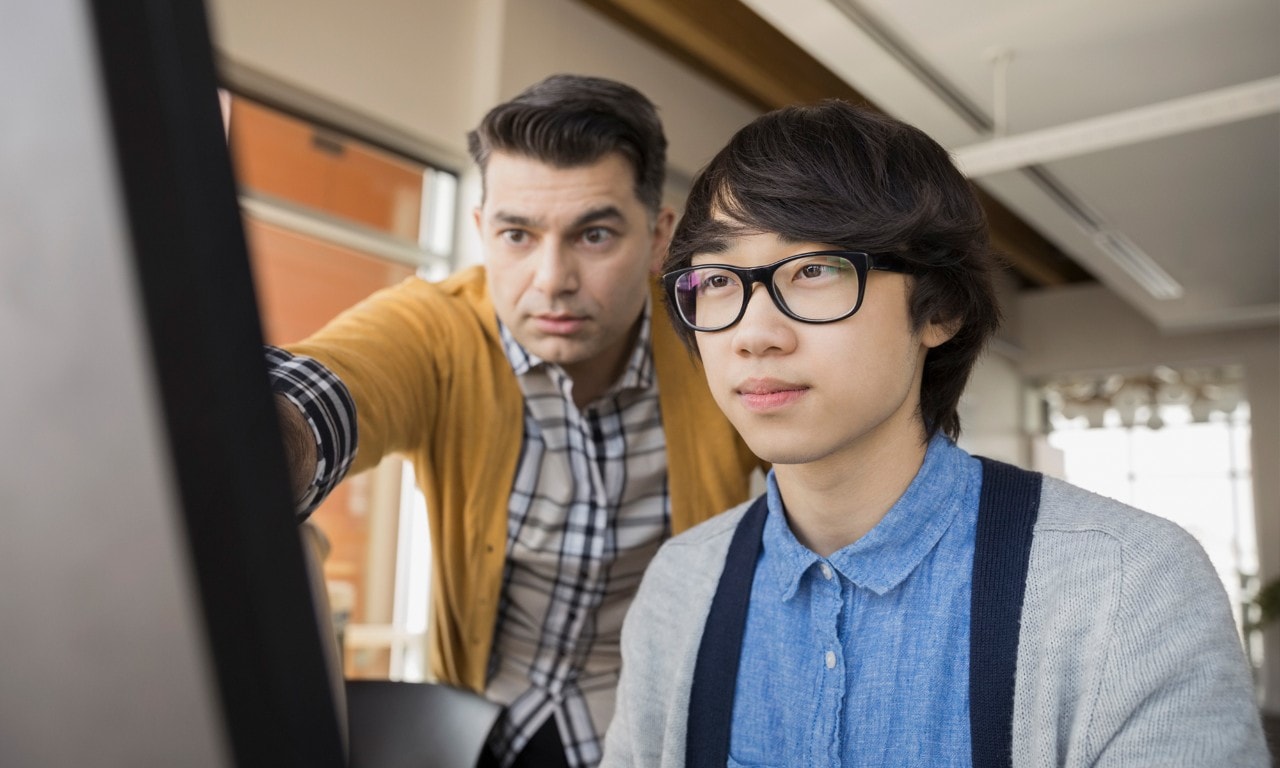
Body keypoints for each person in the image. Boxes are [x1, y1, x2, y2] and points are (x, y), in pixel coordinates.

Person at [601, 100, 1269, 767]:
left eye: (814, 271)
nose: (754, 335)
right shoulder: (681, 586)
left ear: (940, 308)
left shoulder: (1128, 587)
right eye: (718, 280)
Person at [267, 74, 763, 768]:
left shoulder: (714, 339)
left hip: (658, 727)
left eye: (594, 234)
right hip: (480, 726)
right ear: (481, 233)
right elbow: (331, 381)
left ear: (658, 238)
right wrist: (256, 439)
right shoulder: (438, 330)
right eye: (517, 235)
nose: (551, 277)